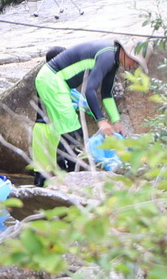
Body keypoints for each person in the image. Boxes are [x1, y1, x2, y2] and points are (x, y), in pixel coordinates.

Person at [32, 40, 141, 179]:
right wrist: (101, 121)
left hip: (58, 83)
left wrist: (116, 121)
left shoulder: (112, 59)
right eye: (136, 61)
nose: (135, 66)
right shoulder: (108, 56)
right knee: (72, 131)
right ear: (126, 53)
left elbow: (107, 94)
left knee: (72, 131)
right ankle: (69, 175)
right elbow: (90, 90)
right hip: (52, 80)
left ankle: (68, 174)